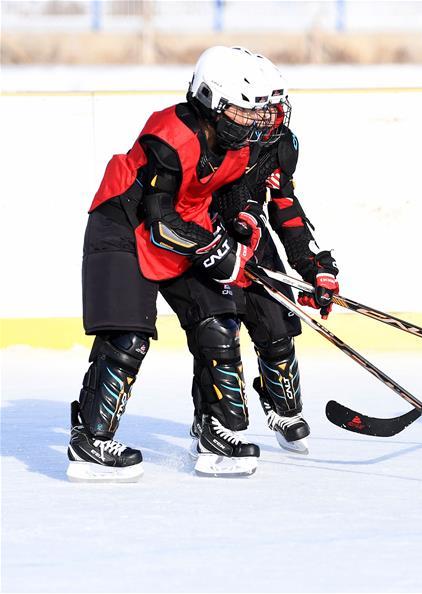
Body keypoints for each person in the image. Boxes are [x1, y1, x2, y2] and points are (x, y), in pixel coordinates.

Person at [68, 46, 285, 482]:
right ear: (210, 101)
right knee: (129, 338)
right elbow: (159, 220)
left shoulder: (241, 145)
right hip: (124, 226)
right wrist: (214, 249)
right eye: (245, 114)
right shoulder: (169, 135)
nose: (255, 124)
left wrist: (242, 225)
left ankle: (214, 429)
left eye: (259, 115)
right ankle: (89, 442)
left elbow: (234, 197)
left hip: (188, 228)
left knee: (219, 323)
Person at [203, 59, 339, 455]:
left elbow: (285, 206)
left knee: (278, 325)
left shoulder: (281, 144)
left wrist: (313, 267)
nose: (271, 116)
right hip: (209, 242)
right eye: (262, 107)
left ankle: (283, 407)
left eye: (275, 107)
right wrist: (232, 221)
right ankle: (211, 420)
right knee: (217, 336)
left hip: (255, 244)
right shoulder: (218, 137)